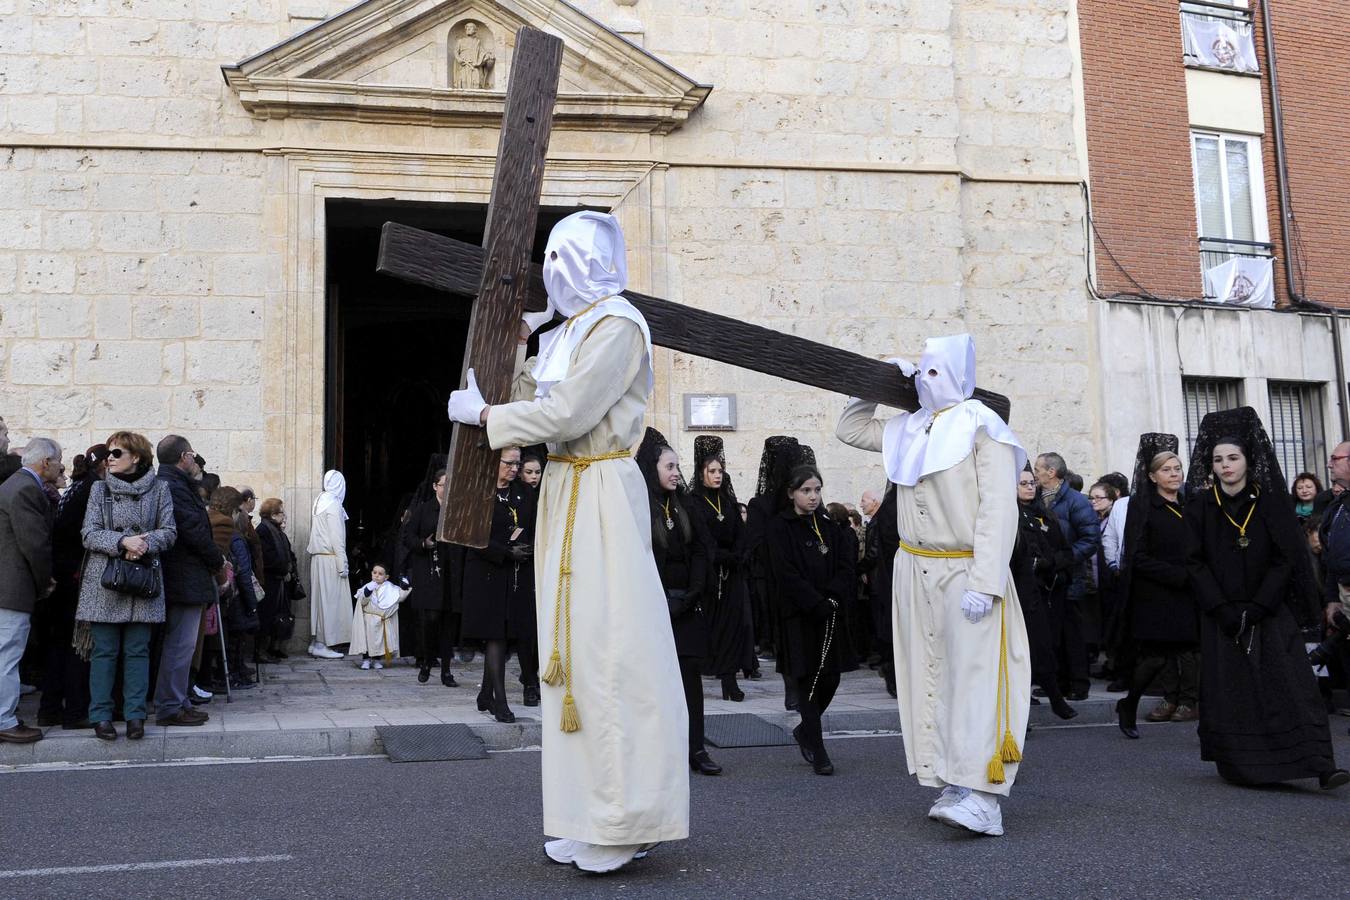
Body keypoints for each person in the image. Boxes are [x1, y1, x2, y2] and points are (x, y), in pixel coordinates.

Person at [446, 210, 687, 873]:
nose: (554, 273)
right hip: (563, 489)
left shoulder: (617, 326)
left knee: (612, 654)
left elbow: (570, 412)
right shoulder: (570, 331)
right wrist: (521, 341)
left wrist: (489, 417)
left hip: (603, 488)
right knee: (570, 656)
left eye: (564, 260)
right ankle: (586, 815)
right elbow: (535, 394)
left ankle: (625, 821)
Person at [836, 334, 1029, 837]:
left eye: (936, 372)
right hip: (914, 569)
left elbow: (997, 510)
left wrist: (986, 582)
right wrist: (874, 379)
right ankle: (951, 779)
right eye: (921, 371)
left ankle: (985, 796)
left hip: (967, 571)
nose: (925, 380)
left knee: (975, 681)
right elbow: (851, 428)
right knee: (930, 677)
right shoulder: (909, 427)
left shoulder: (985, 428)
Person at [1185, 407, 1348, 790]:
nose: (1225, 466)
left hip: (1268, 610)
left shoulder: (1269, 502)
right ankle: (1245, 764)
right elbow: (1194, 562)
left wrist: (1260, 605)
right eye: (1218, 460)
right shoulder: (1201, 506)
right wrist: (1222, 608)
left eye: (1233, 458)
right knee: (1234, 688)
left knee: (1292, 684)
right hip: (1221, 613)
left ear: (1248, 461)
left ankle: (1321, 764)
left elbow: (1285, 559)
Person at [77, 432, 176, 742]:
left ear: (136, 456)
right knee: (104, 652)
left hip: (143, 579)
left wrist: (143, 544)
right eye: (108, 452)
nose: (110, 457)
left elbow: (170, 531)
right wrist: (121, 542)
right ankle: (101, 715)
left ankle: (135, 715)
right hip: (106, 581)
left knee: (137, 651)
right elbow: (89, 534)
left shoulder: (160, 489)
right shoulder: (99, 489)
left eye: (117, 452)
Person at [637, 429, 721, 776]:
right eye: (669, 466)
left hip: (687, 605)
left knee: (691, 681)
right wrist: (659, 600)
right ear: (652, 468)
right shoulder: (641, 505)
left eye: (677, 466)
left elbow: (702, 550)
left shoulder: (686, 503)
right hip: (654, 608)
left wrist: (691, 594)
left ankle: (696, 748)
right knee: (655, 684)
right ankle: (659, 751)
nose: (675, 473)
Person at [764, 464, 857, 776]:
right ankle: (818, 750)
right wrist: (814, 601)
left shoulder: (828, 525)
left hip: (828, 612)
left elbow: (846, 564)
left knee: (831, 677)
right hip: (799, 615)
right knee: (807, 679)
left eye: (817, 490)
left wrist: (832, 596)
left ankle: (806, 729)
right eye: (806, 490)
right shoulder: (780, 527)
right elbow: (785, 573)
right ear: (792, 493)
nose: (813, 496)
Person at [1113, 440, 1200, 738]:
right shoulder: (1143, 507)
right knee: (1156, 658)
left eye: (1177, 469)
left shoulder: (1189, 504)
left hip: (1188, 593)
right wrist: (1177, 575)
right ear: (1152, 476)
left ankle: (1196, 708)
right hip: (1157, 595)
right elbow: (1137, 557)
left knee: (1193, 650)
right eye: (1166, 470)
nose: (1174, 474)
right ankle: (1129, 704)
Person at [460, 447, 535, 723]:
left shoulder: (523, 493)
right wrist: (505, 551)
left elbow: (532, 523)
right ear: (495, 462)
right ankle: (500, 703)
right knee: (495, 635)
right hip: (486, 572)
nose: (514, 469)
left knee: (505, 634)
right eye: (509, 464)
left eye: (517, 464)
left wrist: (526, 546)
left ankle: (485, 694)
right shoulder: (478, 492)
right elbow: (470, 533)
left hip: (515, 574)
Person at [152, 435, 222, 727]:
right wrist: (217, 561)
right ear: (183, 457)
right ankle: (170, 705)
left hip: (186, 576)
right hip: (184, 576)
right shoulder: (173, 487)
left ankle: (178, 700)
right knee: (180, 644)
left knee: (182, 644)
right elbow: (193, 530)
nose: (195, 460)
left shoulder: (174, 484)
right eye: (192, 454)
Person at [35, 444, 104, 731]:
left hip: (64, 575)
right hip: (76, 576)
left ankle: (50, 708)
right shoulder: (92, 490)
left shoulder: (76, 487)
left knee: (61, 644)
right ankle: (75, 710)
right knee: (79, 645)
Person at [745, 436, 815, 709]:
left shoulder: (801, 501)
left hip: (796, 579)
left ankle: (801, 687)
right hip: (775, 581)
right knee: (786, 634)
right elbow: (756, 545)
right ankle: (793, 688)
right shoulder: (761, 505)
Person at [0, 437, 60, 744]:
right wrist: (45, 580)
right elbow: (34, 544)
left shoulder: (14, 484)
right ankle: (4, 720)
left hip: (8, 587)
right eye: (58, 461)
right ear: (46, 462)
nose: (61, 467)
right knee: (7, 656)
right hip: (12, 588)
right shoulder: (25, 488)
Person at [689, 435, 754, 701]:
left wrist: (738, 555)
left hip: (732, 574)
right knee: (713, 627)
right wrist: (719, 556)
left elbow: (741, 532)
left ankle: (730, 680)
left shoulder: (727, 501)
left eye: (720, 471)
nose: (717, 476)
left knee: (733, 625)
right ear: (702, 473)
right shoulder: (693, 500)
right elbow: (702, 536)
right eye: (712, 471)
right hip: (710, 573)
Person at [1033, 451, 1099, 700]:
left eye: (1039, 468)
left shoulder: (1076, 501)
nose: (1036, 473)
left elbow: (1090, 540)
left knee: (1072, 633)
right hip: (1047, 579)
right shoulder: (1039, 500)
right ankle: (1057, 682)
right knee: (1052, 633)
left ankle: (1079, 684)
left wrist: (1064, 558)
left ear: (1051, 472)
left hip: (1070, 577)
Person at [1015, 467, 1077, 720]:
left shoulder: (1045, 515)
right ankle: (1022, 713)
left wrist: (1049, 564)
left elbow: (1064, 550)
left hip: (1045, 592)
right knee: (1022, 652)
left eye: (1032, 483)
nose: (1029, 487)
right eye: (1023, 483)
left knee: (1045, 646)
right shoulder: (1011, 515)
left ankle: (1053, 696)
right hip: (1019, 592)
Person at [402, 464, 457, 687]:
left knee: (449, 622)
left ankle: (446, 671)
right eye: (444, 484)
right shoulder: (423, 510)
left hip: (451, 571)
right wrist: (423, 543)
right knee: (431, 620)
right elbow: (408, 537)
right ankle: (426, 661)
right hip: (429, 572)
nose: (447, 488)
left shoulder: (456, 508)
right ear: (435, 486)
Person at [206, 488, 261, 691]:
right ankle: (229, 675)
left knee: (229, 638)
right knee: (231, 638)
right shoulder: (234, 536)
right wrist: (252, 604)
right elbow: (243, 572)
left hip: (228, 592)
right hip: (232, 593)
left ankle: (231, 673)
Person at [307, 470, 350, 659]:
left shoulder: (319, 501)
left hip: (319, 558)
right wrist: (343, 564)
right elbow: (337, 537)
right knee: (329, 602)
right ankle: (322, 643)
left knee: (320, 601)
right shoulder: (333, 505)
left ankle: (317, 641)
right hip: (331, 558)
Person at [255, 499, 295, 660]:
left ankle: (274, 647)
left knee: (279, 615)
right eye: (281, 513)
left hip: (279, 581)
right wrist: (284, 569)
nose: (283, 516)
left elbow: (288, 553)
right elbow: (267, 557)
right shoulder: (264, 530)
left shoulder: (277, 531)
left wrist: (290, 567)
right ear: (272, 515)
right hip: (270, 580)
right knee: (266, 616)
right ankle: (261, 651)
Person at [350, 564, 406, 668]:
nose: (376, 575)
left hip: (381, 620)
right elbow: (362, 602)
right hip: (369, 619)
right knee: (367, 640)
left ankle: (376, 660)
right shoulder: (367, 586)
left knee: (379, 641)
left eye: (380, 574)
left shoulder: (390, 588)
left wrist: (405, 586)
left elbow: (399, 598)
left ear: (386, 577)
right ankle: (366, 660)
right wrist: (367, 591)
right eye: (374, 572)